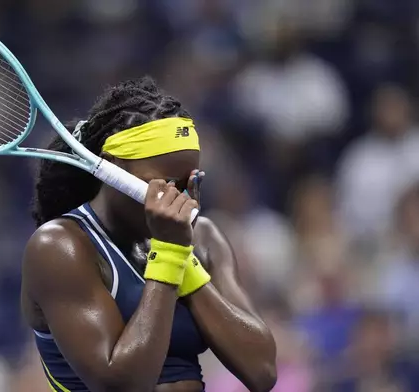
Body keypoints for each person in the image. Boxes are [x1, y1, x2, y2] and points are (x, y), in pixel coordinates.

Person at [21, 77, 277, 392]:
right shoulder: (60, 247)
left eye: (186, 184)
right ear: (112, 168)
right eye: (164, 184)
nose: (179, 199)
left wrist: (183, 258)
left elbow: (262, 371)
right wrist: (169, 254)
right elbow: (122, 384)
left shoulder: (203, 237)